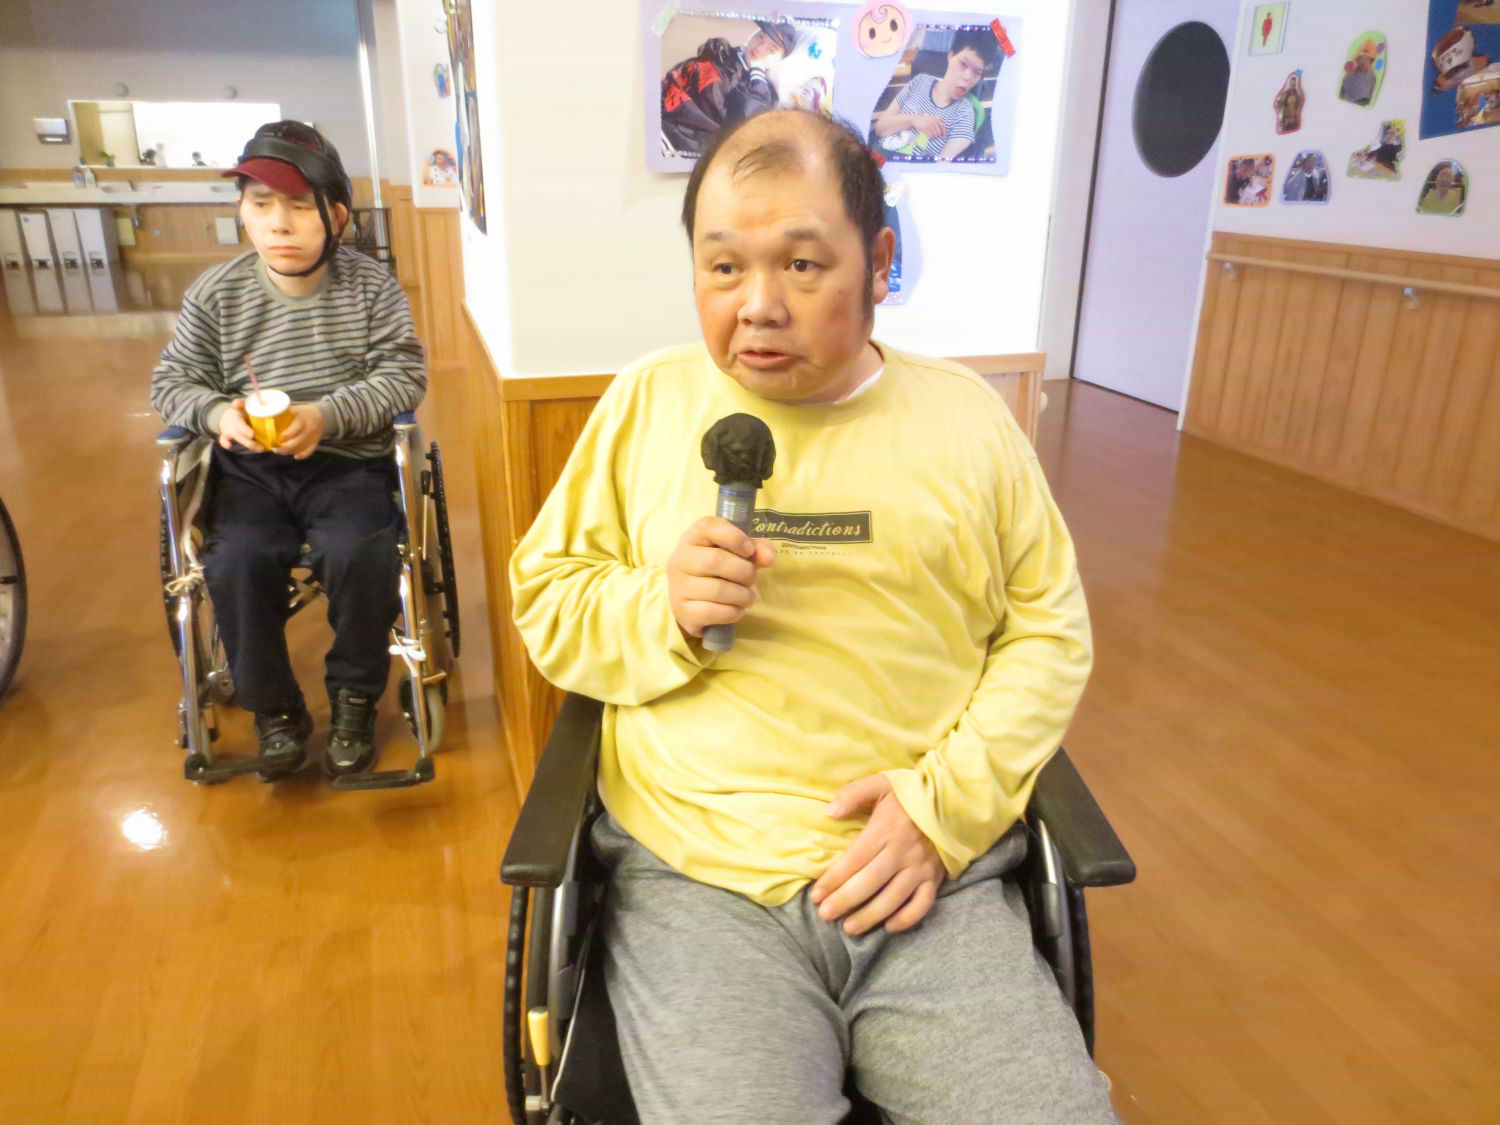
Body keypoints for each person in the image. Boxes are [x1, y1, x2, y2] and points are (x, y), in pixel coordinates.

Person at [510, 109, 1114, 1122]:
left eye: (800, 265)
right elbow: (549, 596)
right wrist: (659, 607)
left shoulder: (967, 420)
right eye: (723, 268)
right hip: (698, 880)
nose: (758, 307)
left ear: (878, 262)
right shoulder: (647, 404)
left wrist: (944, 808)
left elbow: (1047, 633)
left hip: (931, 874)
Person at [150, 121, 426, 780]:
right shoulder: (217, 294)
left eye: (300, 206)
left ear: (336, 216)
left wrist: (324, 415)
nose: (280, 222)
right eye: (261, 204)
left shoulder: (371, 288)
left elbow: (403, 376)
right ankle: (275, 711)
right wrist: (218, 412)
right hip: (249, 472)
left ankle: (355, 698)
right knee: (237, 560)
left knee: (359, 553)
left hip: (347, 464)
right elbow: (170, 384)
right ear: (241, 213)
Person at [661, 20, 797, 156]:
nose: (759, 47)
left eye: (771, 49)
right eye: (761, 37)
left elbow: (743, 123)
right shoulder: (720, 52)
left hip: (680, 142)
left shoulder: (762, 93)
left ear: (781, 62)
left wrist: (756, 72)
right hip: (661, 110)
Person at [870, 28, 998, 161]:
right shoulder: (919, 81)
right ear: (951, 56)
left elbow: (941, 164)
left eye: (977, 72)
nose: (967, 77)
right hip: (875, 156)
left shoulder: (965, 112)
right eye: (963, 64)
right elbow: (880, 128)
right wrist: (914, 119)